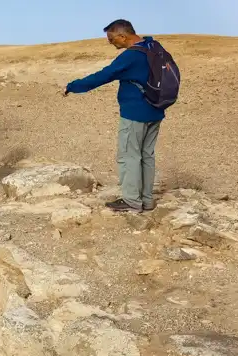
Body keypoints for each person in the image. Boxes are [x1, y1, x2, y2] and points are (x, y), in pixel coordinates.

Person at [63, 19, 165, 213]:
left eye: (111, 39)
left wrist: (73, 86)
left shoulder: (131, 56)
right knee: (146, 155)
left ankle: (132, 201)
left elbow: (103, 75)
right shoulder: (154, 47)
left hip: (135, 113)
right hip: (156, 110)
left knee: (129, 155)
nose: (110, 43)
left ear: (122, 36)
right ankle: (146, 200)